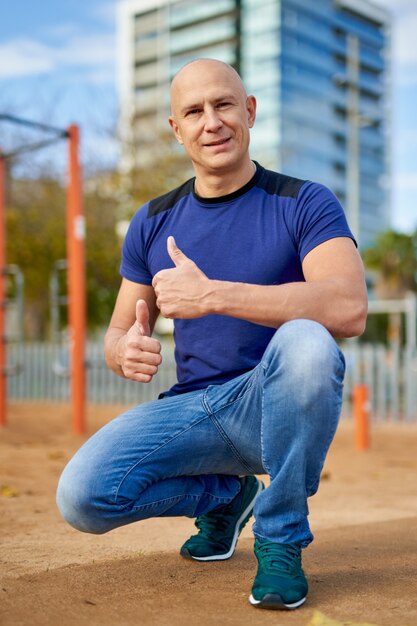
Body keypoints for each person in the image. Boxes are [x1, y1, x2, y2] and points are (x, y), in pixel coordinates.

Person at [56, 58, 367, 610]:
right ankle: (225, 494)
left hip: (270, 404)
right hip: (194, 409)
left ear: (248, 111)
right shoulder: (152, 220)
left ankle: (281, 539)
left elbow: (348, 308)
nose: (212, 122)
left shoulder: (304, 200)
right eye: (194, 111)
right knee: (83, 498)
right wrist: (123, 350)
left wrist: (215, 294)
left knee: (309, 342)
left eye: (223, 104)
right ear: (177, 130)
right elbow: (116, 333)